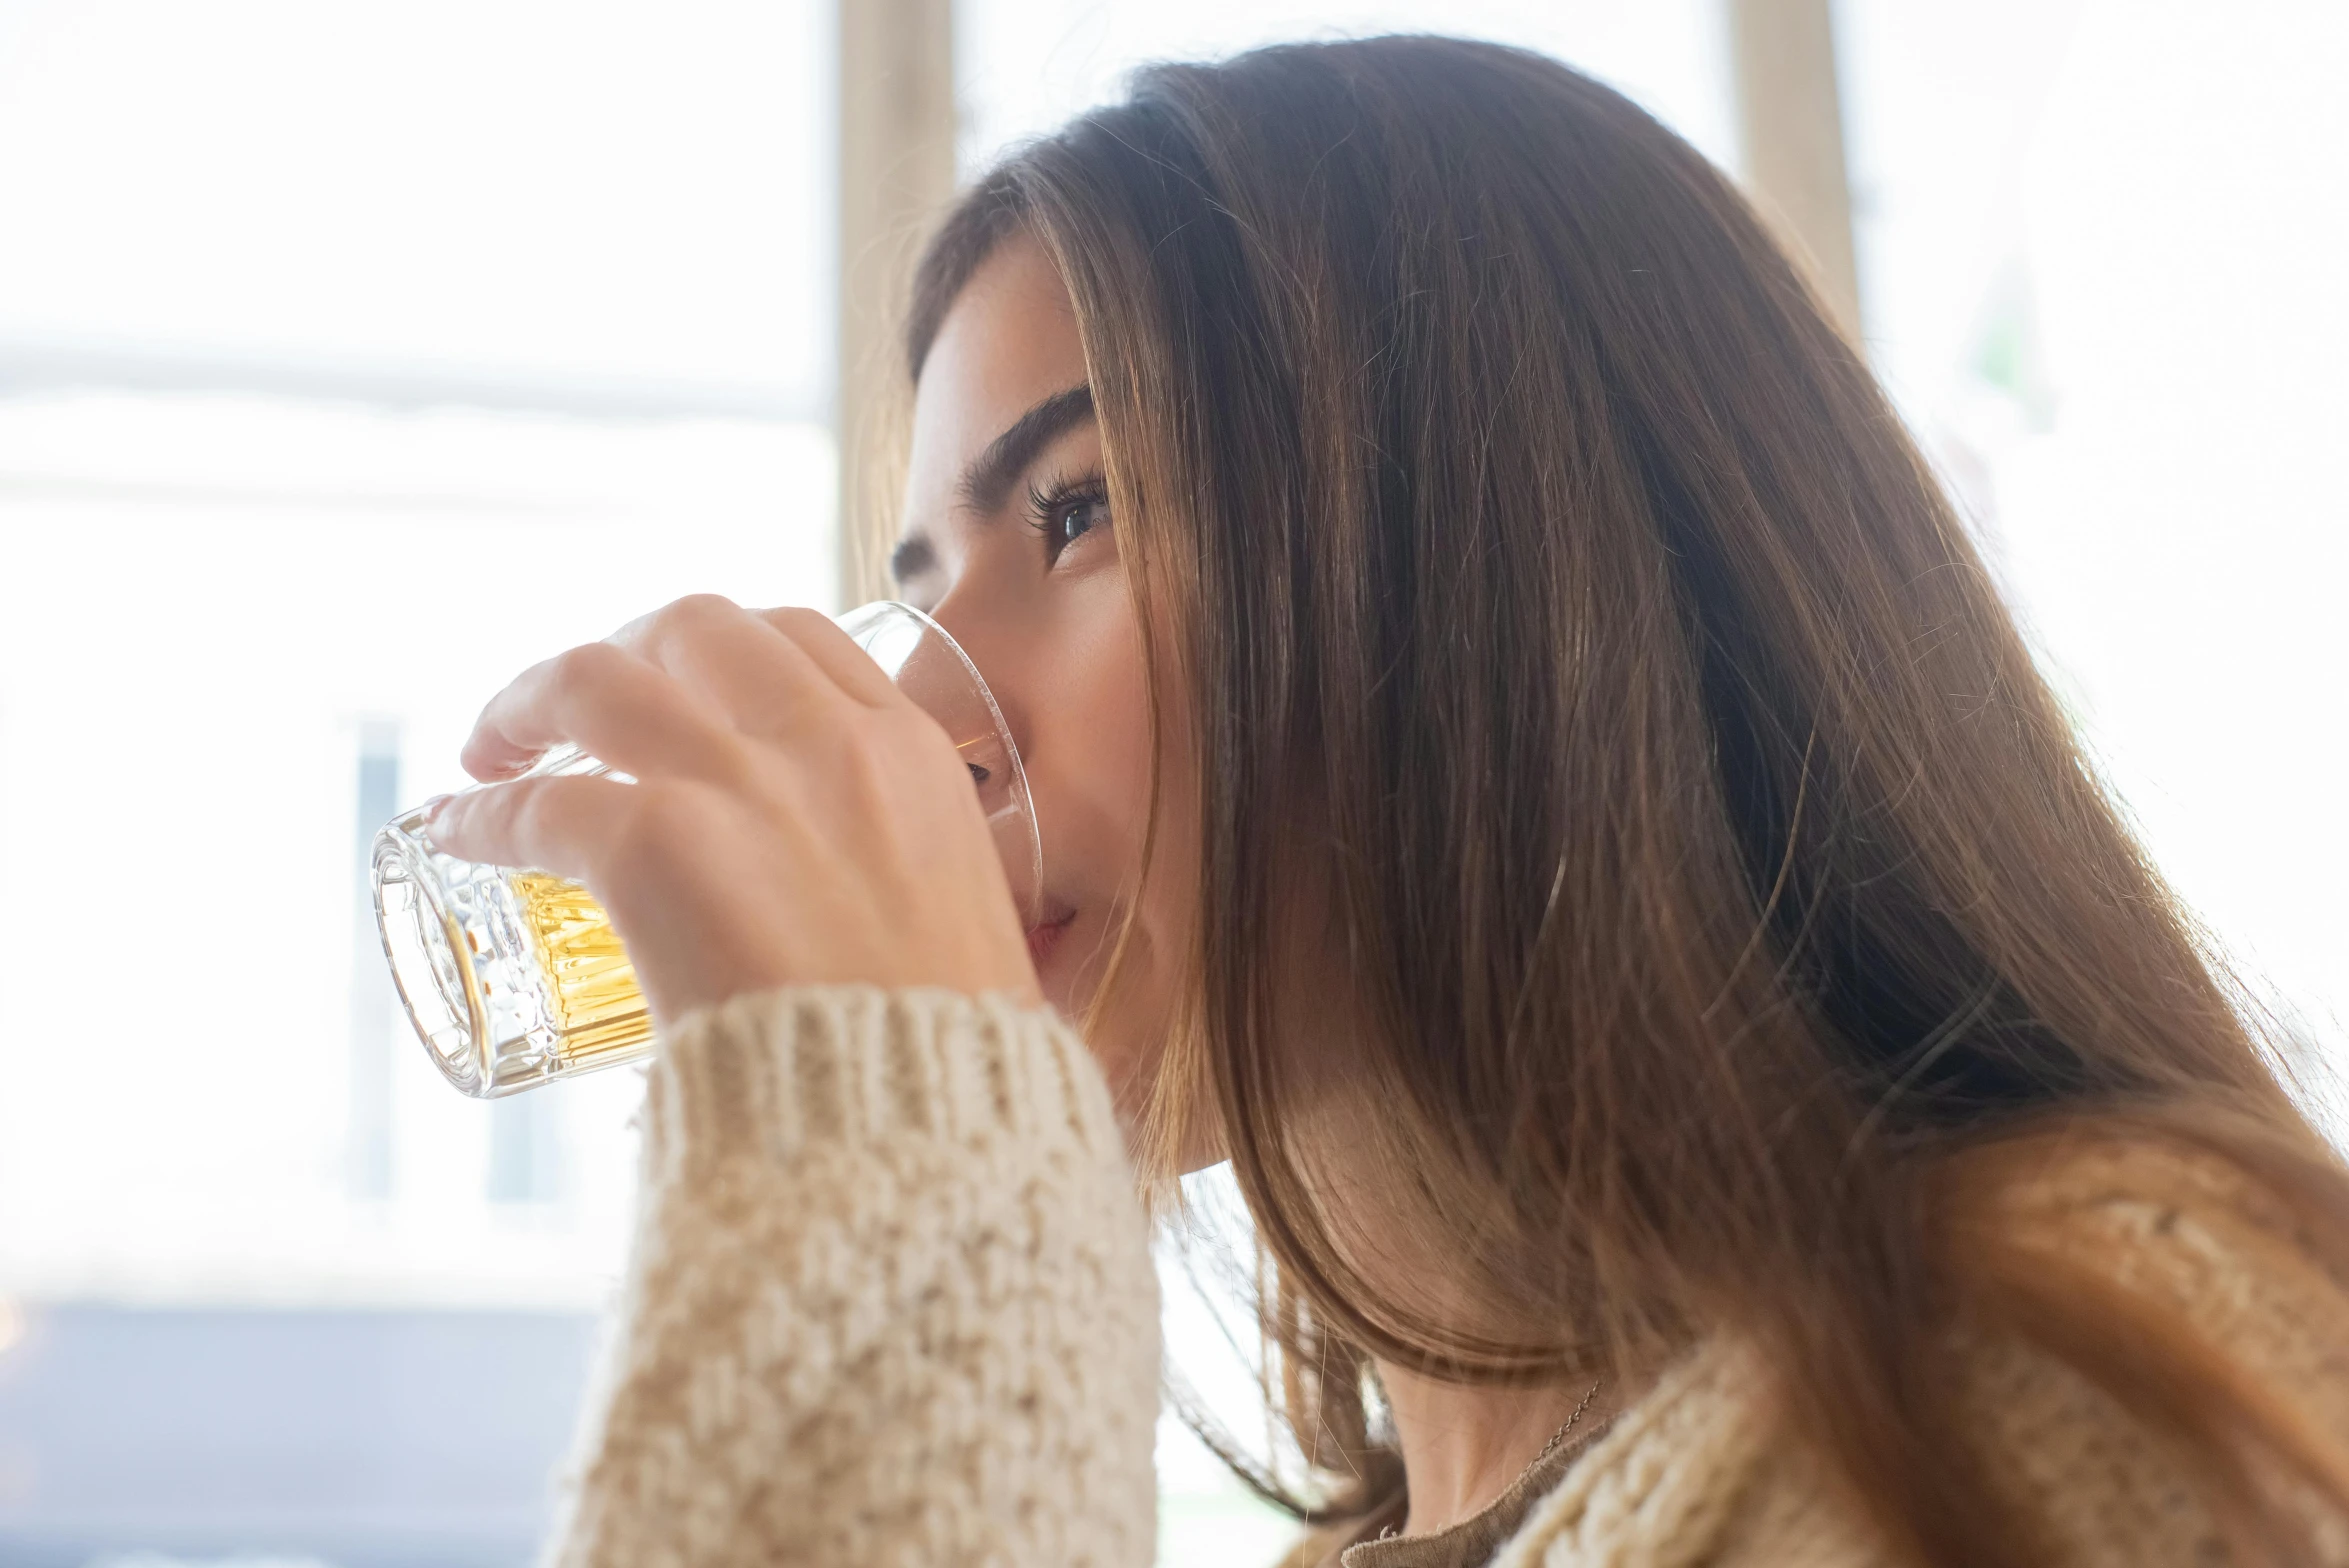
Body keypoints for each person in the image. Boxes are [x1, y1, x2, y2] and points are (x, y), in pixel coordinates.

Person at [426, 34, 2349, 1568]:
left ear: (1510, 560)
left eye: (1077, 511)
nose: (929, 725)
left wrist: (882, 1149)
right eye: (918, 586)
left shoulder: (2083, 1382)